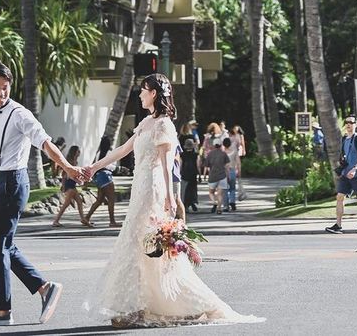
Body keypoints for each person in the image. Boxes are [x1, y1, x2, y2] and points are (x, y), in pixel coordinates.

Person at [84, 73, 263, 327]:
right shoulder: (146, 122)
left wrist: (170, 198)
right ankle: (133, 304)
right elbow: (123, 150)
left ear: (154, 93)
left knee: (144, 242)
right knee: (136, 243)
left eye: (143, 90)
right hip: (140, 188)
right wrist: (94, 167)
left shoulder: (164, 125)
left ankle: (144, 306)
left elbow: (168, 165)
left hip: (153, 190)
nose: (140, 94)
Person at [0, 62, 84, 326]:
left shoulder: (20, 114)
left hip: (14, 180)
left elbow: (44, 141)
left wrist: (68, 167)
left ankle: (4, 311)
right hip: (0, 180)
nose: (1, 93)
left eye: (5, 88)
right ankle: (44, 288)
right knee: (5, 246)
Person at [325, 115, 357, 235]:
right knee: (339, 197)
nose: (349, 124)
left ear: (355, 124)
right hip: (346, 173)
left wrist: (355, 169)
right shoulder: (344, 139)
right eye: (347, 122)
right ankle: (338, 225)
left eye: (351, 122)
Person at [84, 136, 120, 228]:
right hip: (106, 176)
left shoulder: (98, 153)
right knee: (111, 199)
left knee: (99, 200)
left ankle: (86, 218)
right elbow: (109, 165)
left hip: (99, 177)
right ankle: (112, 221)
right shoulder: (109, 153)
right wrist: (117, 168)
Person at [53, 146, 91, 227]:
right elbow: (64, 175)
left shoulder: (75, 162)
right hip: (68, 184)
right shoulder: (69, 161)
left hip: (72, 184)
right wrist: (63, 186)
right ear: (74, 152)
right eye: (78, 151)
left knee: (79, 202)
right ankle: (56, 221)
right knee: (66, 204)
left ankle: (83, 219)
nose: (79, 152)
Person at [205, 138, 229, 214]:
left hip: (213, 175)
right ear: (221, 145)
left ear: (214, 145)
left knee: (211, 192)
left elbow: (206, 165)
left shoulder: (210, 154)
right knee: (220, 193)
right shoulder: (223, 153)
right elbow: (227, 166)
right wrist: (227, 175)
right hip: (222, 175)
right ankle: (219, 208)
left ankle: (214, 202)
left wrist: (205, 175)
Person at [180, 137, 199, 213]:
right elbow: (198, 164)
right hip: (193, 172)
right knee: (193, 188)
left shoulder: (182, 154)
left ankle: (186, 204)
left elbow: (180, 164)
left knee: (185, 189)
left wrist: (179, 172)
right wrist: (200, 174)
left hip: (185, 172)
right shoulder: (195, 154)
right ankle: (193, 201)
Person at [223, 136, 240, 212]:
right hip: (232, 170)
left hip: (224, 172)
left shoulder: (222, 153)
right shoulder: (234, 152)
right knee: (232, 188)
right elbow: (238, 163)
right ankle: (232, 201)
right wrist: (239, 171)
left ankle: (226, 206)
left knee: (225, 189)